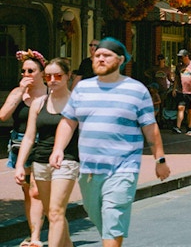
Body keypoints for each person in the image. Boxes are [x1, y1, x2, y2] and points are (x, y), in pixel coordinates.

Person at [52, 38, 170, 247]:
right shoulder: (82, 89)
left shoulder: (136, 90)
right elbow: (68, 122)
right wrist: (58, 149)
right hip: (89, 170)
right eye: (97, 55)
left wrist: (159, 160)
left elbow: (150, 128)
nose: (100, 58)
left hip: (123, 168)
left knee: (113, 218)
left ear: (121, 60)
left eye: (106, 55)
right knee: (97, 216)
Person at [15, 58, 78, 247]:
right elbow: (29, 136)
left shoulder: (76, 103)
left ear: (67, 77)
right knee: (52, 213)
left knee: (57, 211)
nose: (52, 80)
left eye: (58, 76)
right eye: (48, 76)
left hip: (67, 160)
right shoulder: (39, 103)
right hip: (40, 161)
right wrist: (20, 164)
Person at [2, 49, 47, 247]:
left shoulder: (49, 92)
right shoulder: (18, 92)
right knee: (28, 192)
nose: (26, 75)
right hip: (21, 143)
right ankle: (33, 233)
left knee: (37, 191)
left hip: (44, 142)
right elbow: (3, 115)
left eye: (31, 71)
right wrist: (21, 91)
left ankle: (37, 236)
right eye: (23, 71)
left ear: (41, 73)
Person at [173, 49, 191, 134]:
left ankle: (189, 127)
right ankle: (178, 126)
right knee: (180, 107)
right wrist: (174, 88)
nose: (180, 59)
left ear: (186, 56)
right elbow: (177, 78)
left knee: (190, 110)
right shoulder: (179, 66)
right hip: (182, 91)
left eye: (181, 57)